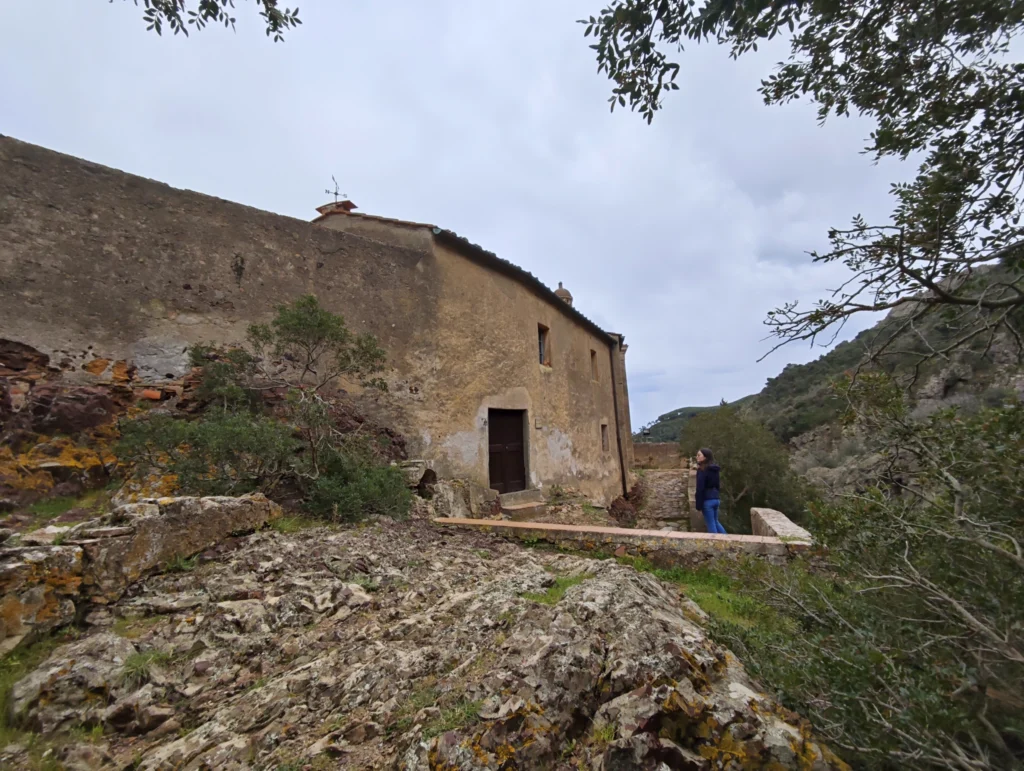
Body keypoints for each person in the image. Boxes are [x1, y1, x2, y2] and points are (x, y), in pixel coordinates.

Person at [695, 448, 726, 534]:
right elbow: (717, 485)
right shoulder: (714, 469)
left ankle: (716, 544)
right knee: (716, 522)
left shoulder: (702, 470)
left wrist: (698, 507)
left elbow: (700, 489)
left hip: (707, 500)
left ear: (705, 457)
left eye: (699, 455)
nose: (696, 457)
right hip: (716, 499)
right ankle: (727, 540)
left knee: (711, 524)